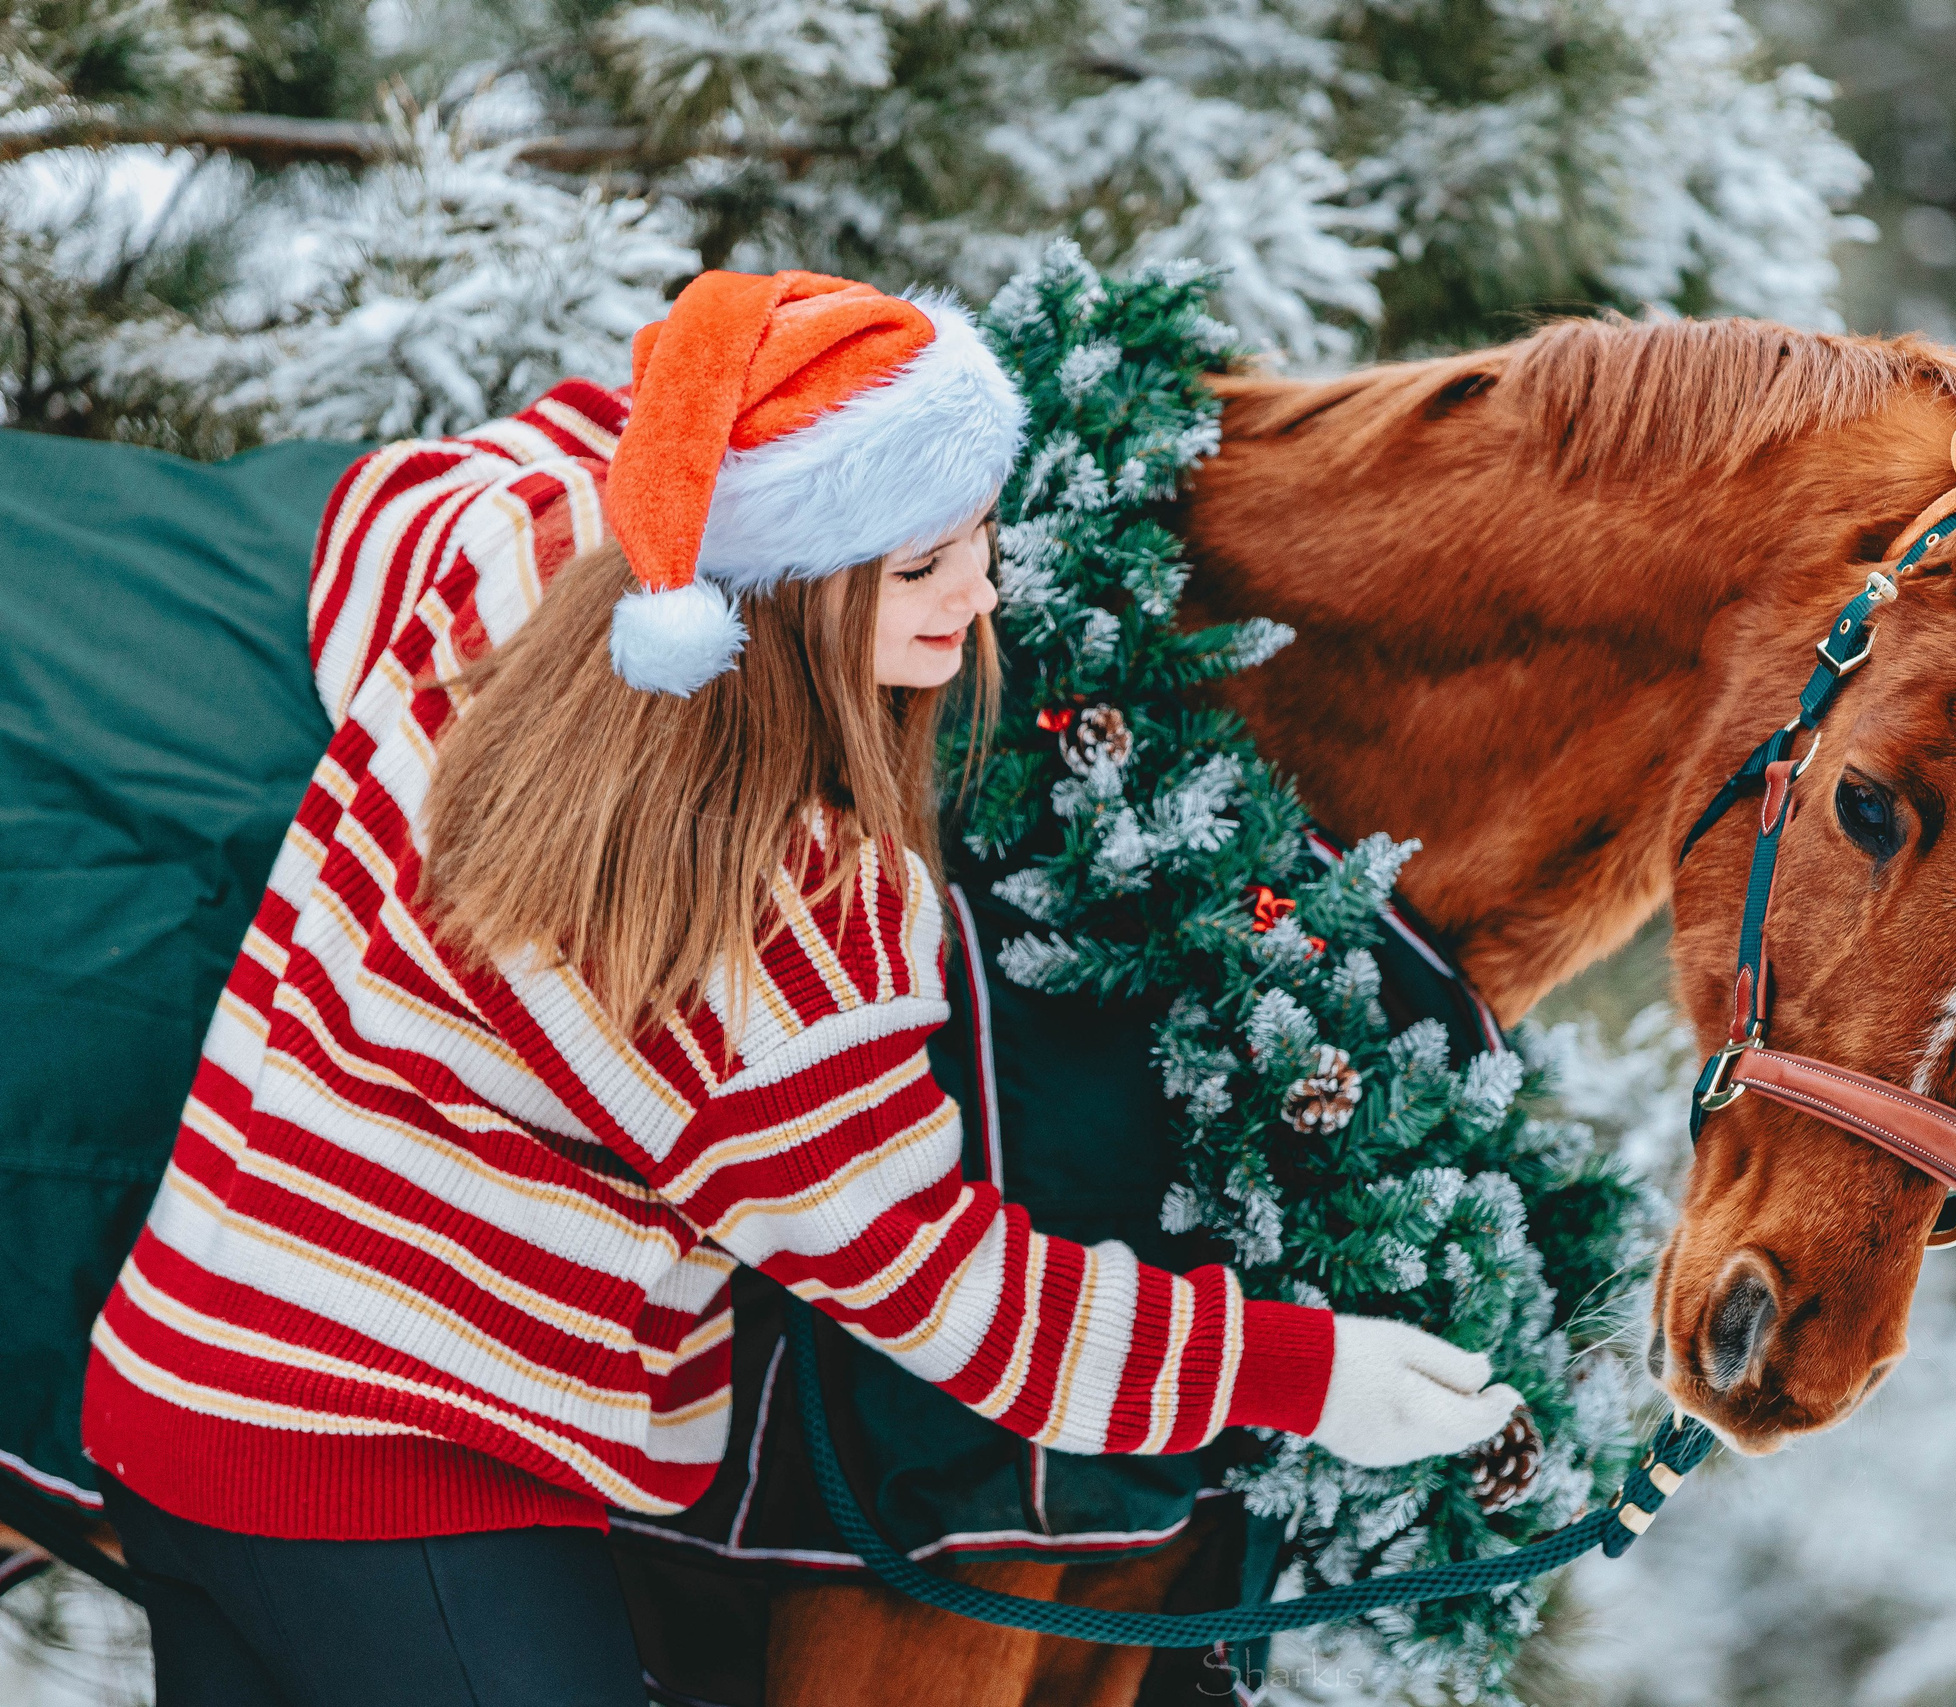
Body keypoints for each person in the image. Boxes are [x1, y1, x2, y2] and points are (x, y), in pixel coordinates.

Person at [81, 270, 1521, 1707]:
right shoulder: (786, 921)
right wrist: (1306, 1376)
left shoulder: (517, 571)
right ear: (789, 583)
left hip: (179, 1395)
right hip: (396, 1486)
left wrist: (680, 440)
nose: (982, 591)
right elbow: (947, 1290)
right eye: (916, 570)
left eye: (976, 538)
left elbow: (408, 501)